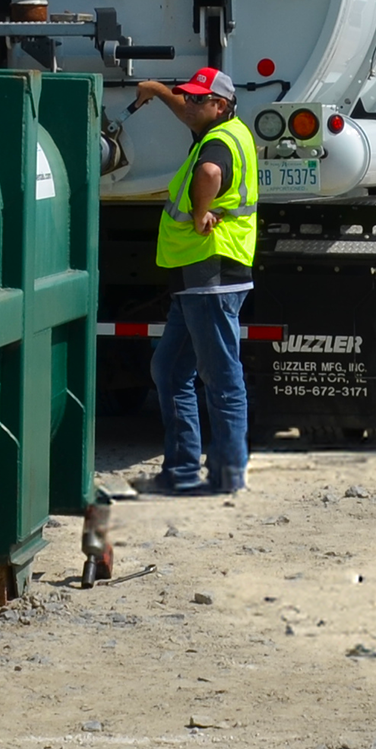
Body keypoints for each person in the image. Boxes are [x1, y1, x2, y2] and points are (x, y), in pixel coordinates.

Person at [135, 65, 259, 495]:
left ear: (218, 104)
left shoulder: (218, 143)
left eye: (195, 98)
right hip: (198, 277)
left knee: (221, 377)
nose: (186, 104)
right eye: (185, 97)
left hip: (212, 273)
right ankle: (182, 467)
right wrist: (157, 91)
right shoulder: (221, 128)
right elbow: (189, 115)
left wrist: (202, 208)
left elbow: (208, 174)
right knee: (168, 368)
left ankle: (226, 472)